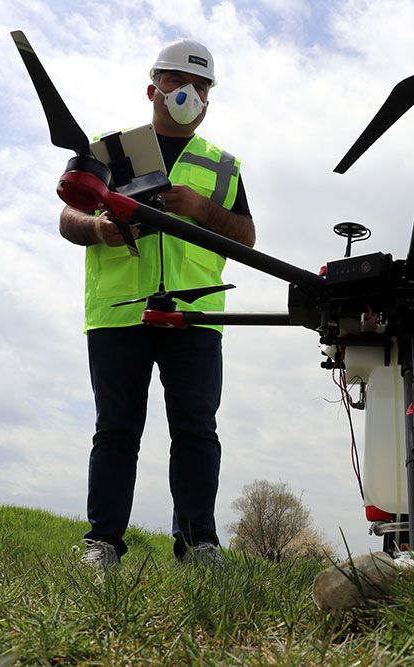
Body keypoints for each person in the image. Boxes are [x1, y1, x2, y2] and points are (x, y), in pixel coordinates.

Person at [58, 38, 255, 566]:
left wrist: (200, 208)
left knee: (195, 428)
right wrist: (101, 230)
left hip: (195, 311)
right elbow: (66, 220)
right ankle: (102, 542)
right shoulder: (107, 149)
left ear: (210, 97)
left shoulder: (223, 166)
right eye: (177, 82)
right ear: (153, 88)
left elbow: (246, 236)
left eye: (202, 86)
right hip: (118, 309)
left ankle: (198, 543)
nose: (190, 92)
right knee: (117, 428)